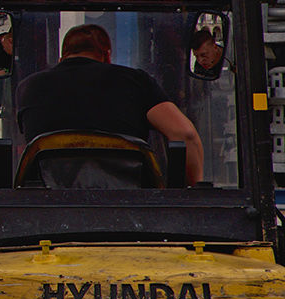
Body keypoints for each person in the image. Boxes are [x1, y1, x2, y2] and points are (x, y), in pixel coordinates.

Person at [16, 22, 203, 184]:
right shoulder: (136, 81)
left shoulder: (28, 87)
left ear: (61, 58)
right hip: (131, 205)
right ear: (106, 56)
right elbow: (184, 134)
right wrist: (191, 196)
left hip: (46, 206)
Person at [180, 15, 239, 185]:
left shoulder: (232, 56)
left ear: (215, 47)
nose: (201, 61)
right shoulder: (198, 68)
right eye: (197, 56)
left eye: (204, 55)